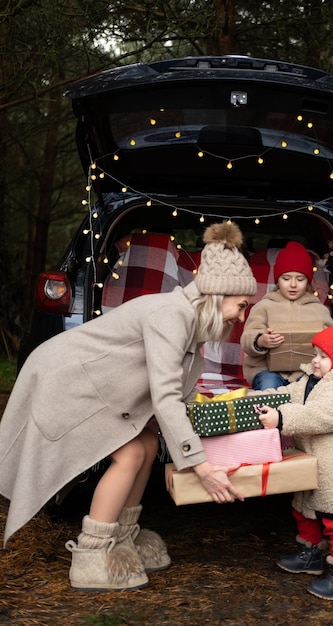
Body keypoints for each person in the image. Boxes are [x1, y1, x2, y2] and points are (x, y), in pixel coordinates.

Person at [0, 220, 257, 592]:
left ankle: (122, 537)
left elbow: (176, 397)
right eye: (241, 305)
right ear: (218, 296)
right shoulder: (171, 316)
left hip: (95, 384)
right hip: (68, 380)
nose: (242, 315)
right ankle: (93, 553)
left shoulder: (189, 323)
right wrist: (202, 467)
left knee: (148, 445)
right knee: (132, 453)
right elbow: (165, 397)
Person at [255, 307, 333, 600]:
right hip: (317, 463)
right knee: (304, 508)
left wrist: (282, 419)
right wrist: (262, 401)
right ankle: (309, 554)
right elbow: (289, 394)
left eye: (324, 356)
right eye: (316, 354)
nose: (315, 360)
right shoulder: (312, 380)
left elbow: (319, 416)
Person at [241, 241, 333, 390]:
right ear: (277, 280)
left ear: (308, 282)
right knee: (269, 390)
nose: (293, 285)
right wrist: (260, 341)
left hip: (305, 372)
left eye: (300, 279)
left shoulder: (319, 310)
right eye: (286, 278)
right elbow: (246, 339)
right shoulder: (264, 306)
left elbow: (332, 343)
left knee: (314, 393)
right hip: (267, 371)